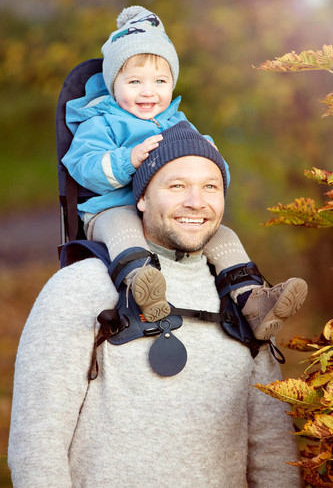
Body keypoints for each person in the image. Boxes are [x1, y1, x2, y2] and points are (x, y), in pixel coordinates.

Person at [8, 123, 303, 486]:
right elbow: (37, 444)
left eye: (210, 187)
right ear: (142, 198)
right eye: (176, 186)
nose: (196, 201)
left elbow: (273, 447)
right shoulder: (80, 287)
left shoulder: (246, 299)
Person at [62, 5, 307, 338]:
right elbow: (82, 167)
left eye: (160, 81)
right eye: (134, 81)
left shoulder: (179, 123)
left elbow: (214, 181)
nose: (148, 91)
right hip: (110, 208)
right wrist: (127, 159)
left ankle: (253, 300)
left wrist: (213, 166)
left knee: (223, 235)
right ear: (113, 84)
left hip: (168, 210)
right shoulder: (101, 122)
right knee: (122, 226)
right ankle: (141, 285)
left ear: (171, 83)